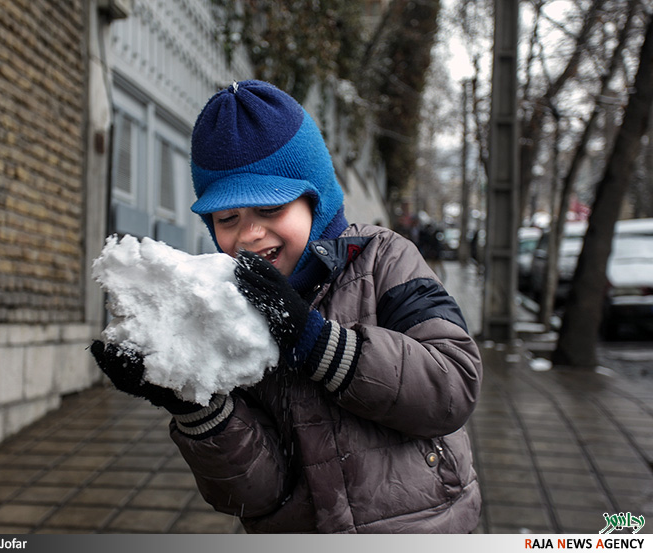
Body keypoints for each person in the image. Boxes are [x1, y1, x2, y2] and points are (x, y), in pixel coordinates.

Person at [91, 80, 482, 533]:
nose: (249, 234)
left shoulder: (383, 259)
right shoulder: (226, 312)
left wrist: (316, 342)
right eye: (228, 218)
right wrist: (193, 402)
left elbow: (453, 388)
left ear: (316, 199)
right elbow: (254, 494)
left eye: (270, 208)